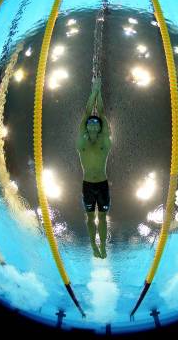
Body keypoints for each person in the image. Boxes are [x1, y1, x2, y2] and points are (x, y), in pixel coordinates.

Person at [76, 77, 112, 259]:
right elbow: (86, 113)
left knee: (103, 217)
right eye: (90, 122)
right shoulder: (81, 141)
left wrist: (99, 92)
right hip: (88, 185)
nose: (92, 123)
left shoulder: (104, 141)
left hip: (103, 184)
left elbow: (102, 114)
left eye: (95, 123)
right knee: (90, 218)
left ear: (99, 128)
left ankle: (103, 246)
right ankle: (93, 245)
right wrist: (93, 91)